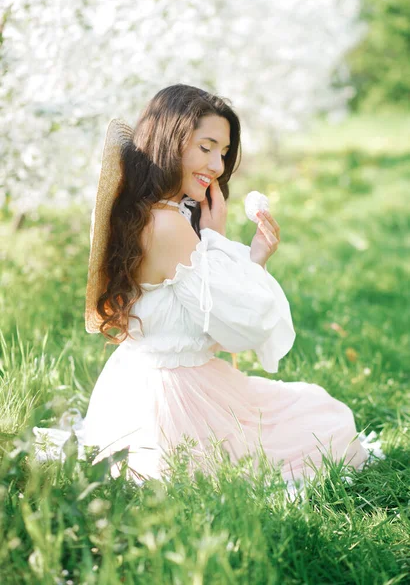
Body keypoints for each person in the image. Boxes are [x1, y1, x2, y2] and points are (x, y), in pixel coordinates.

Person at [82, 83, 369, 486]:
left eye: (224, 152)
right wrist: (222, 244)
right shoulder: (167, 225)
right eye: (206, 147)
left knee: (316, 411)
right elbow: (238, 327)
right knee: (326, 421)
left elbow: (201, 307)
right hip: (174, 401)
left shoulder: (152, 213)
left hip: (140, 382)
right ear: (171, 141)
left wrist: (237, 253)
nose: (217, 165)